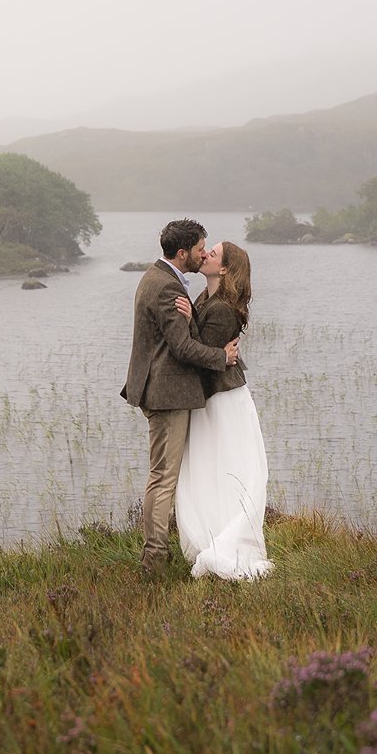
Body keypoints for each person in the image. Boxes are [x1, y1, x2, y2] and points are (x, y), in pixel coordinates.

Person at [121, 218, 241, 576]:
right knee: (163, 478)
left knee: (163, 475)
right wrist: (223, 357)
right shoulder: (167, 289)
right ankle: (153, 561)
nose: (204, 253)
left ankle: (159, 554)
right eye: (202, 248)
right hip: (167, 394)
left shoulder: (155, 277)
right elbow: (182, 348)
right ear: (183, 252)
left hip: (159, 390)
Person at [171, 240, 273, 580]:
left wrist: (187, 325)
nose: (205, 255)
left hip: (222, 398)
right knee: (209, 465)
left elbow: (204, 353)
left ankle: (225, 539)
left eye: (212, 254)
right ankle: (212, 529)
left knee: (225, 464)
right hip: (213, 396)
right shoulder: (207, 299)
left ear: (225, 268)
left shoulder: (224, 307)